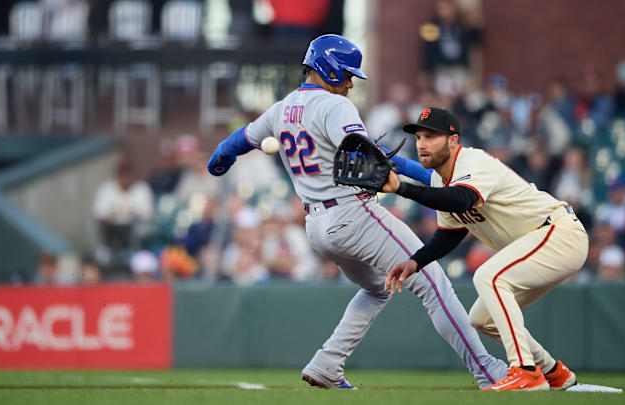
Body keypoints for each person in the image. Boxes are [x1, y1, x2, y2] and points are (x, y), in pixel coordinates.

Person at [207, 34, 506, 389]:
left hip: (317, 225)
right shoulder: (336, 107)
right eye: (347, 74)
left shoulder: (282, 108)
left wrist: (222, 154)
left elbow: (243, 137)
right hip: (351, 213)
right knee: (434, 284)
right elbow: (366, 154)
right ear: (328, 69)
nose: (350, 83)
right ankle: (489, 372)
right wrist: (424, 175)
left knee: (379, 287)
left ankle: (327, 363)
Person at [383, 107, 588, 391]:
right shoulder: (438, 179)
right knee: (482, 318)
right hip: (538, 242)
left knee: (489, 276)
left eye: (431, 136)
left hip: (558, 231)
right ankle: (553, 372)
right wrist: (415, 262)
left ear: (453, 140)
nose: (421, 144)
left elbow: (461, 199)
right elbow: (449, 234)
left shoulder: (473, 161)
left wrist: (401, 188)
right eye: (418, 137)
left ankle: (525, 371)